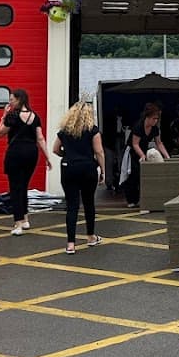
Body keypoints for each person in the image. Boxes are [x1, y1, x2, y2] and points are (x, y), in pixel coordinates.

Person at [51, 100, 105, 254]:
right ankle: (90, 237)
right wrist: (103, 170)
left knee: (72, 205)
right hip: (87, 168)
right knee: (88, 203)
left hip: (68, 168)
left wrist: (66, 155)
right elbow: (99, 152)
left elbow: (55, 149)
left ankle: (70, 244)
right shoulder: (92, 130)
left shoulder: (64, 130)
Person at [0, 88, 51, 236]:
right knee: (24, 186)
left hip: (16, 153)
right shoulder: (35, 116)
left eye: (12, 99)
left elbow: (0, 132)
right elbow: (40, 138)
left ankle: (18, 223)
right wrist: (47, 157)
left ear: (19, 99)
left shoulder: (12, 115)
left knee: (15, 188)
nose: (10, 102)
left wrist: (3, 116)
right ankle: (25, 219)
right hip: (32, 153)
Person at [123, 103, 164, 208]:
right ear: (148, 117)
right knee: (133, 175)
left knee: (144, 175)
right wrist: (143, 156)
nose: (156, 121)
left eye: (157, 119)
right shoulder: (138, 126)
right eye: (154, 118)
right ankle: (131, 200)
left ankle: (143, 199)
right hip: (133, 152)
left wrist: (166, 157)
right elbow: (135, 144)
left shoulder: (155, 129)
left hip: (143, 151)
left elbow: (159, 143)